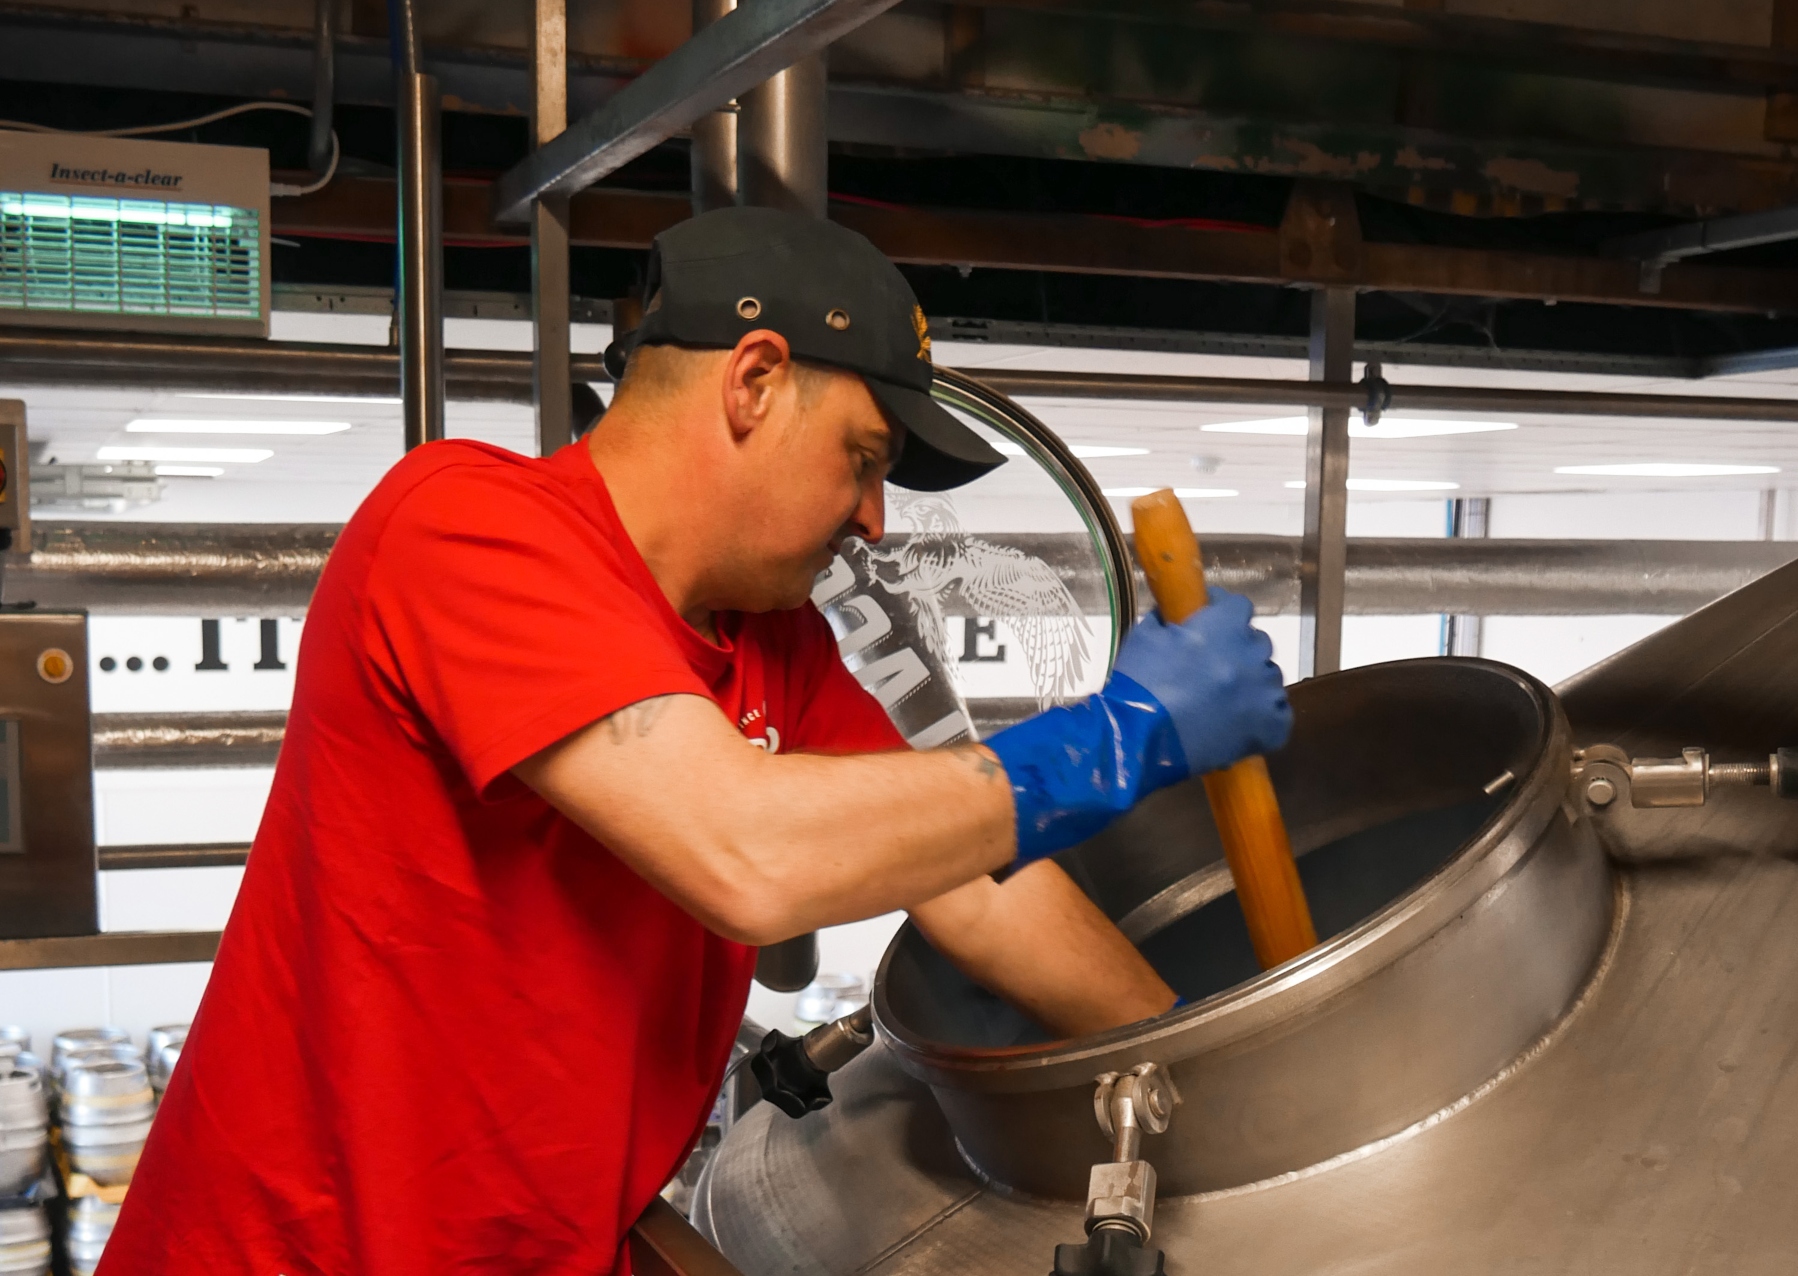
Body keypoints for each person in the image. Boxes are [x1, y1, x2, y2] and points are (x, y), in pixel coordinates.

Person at [100, 207, 1289, 1276]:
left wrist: (1231, 1092)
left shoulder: (775, 646)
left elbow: (974, 885)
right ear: (755, 381)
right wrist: (1120, 734)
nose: (874, 520)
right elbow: (746, 857)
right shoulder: (463, 528)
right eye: (866, 459)